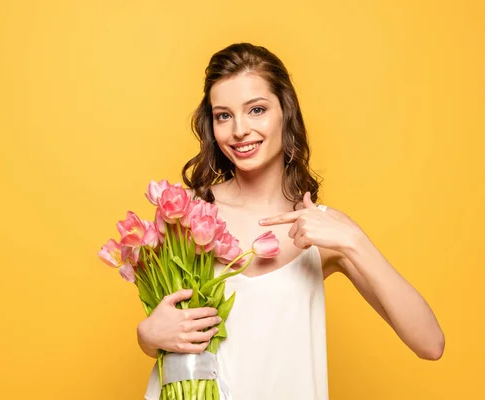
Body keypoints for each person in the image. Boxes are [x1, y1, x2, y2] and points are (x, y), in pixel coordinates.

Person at [137, 42, 445, 399]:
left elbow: (430, 343)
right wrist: (146, 335)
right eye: (224, 115)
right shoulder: (186, 214)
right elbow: (166, 332)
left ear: (286, 112)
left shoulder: (326, 231)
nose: (239, 130)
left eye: (256, 110)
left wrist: (354, 242)